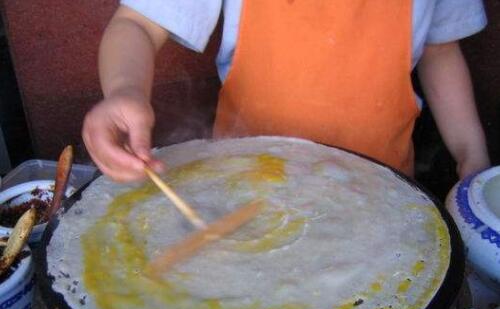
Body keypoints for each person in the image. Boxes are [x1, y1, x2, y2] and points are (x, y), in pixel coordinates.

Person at [82, 0, 491, 182]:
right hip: (246, 190)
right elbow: (138, 23)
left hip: (385, 192)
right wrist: (124, 91)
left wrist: (472, 157)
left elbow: (441, 51)